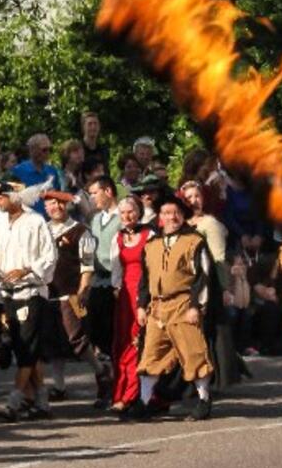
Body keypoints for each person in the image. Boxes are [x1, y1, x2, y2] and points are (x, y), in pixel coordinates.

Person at [131, 193, 214, 421]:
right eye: (167, 213)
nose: (172, 217)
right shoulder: (152, 244)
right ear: (160, 216)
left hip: (184, 304)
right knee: (150, 355)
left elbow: (203, 276)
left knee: (193, 353)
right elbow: (145, 279)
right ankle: (144, 401)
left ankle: (204, 400)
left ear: (183, 214)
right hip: (157, 308)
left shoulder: (194, 241)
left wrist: (197, 306)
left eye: (176, 213)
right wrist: (141, 305)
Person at [0, 180, 58, 422]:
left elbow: (50, 255)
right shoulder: (1, 223)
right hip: (9, 292)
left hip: (31, 292)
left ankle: (14, 401)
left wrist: (27, 269)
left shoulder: (35, 222)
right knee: (24, 347)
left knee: (28, 346)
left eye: (0, 197)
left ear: (14, 197)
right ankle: (42, 400)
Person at [43, 195, 110, 407]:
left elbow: (87, 265)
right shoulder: (41, 230)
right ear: (45, 207)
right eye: (52, 203)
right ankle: (59, 386)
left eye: (60, 203)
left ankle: (101, 373)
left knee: (76, 338)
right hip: (48, 294)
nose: (56, 207)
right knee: (53, 341)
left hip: (72, 293)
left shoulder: (82, 231)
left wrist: (83, 290)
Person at [111, 196, 152, 411]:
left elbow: (155, 267)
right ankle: (122, 393)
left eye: (131, 211)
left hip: (145, 292)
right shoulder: (117, 238)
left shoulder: (150, 235)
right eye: (123, 212)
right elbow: (116, 270)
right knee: (124, 341)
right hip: (125, 294)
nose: (127, 216)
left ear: (139, 212)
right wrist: (117, 290)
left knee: (141, 342)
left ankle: (136, 394)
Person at [87, 176, 122, 361]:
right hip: (97, 280)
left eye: (94, 193)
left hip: (116, 281)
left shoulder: (123, 216)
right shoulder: (95, 219)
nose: (91, 198)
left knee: (113, 331)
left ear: (108, 191)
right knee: (97, 331)